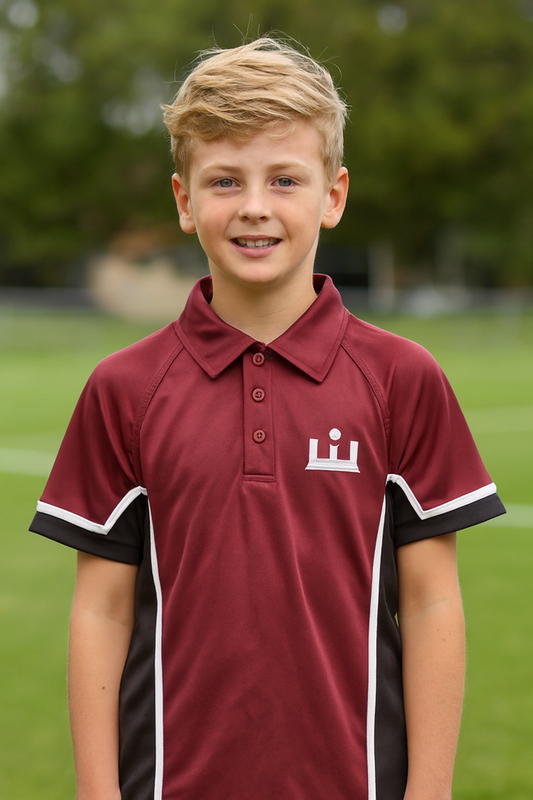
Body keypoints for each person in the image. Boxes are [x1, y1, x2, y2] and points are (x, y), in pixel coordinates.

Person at [30, 37, 505, 800]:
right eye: (224, 180)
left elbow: (428, 601)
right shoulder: (122, 388)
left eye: (285, 179)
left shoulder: (401, 379)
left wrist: (430, 791)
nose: (254, 206)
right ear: (184, 202)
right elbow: (100, 610)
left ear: (333, 195)